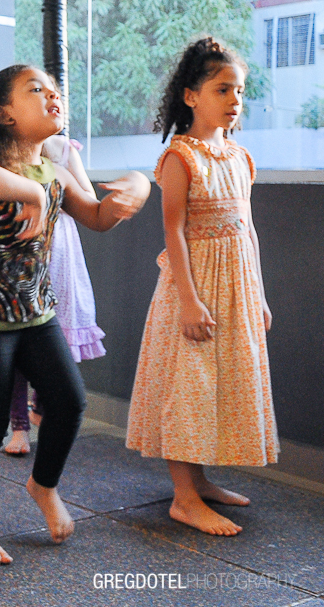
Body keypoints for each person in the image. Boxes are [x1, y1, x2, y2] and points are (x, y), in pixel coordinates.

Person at [0, 65, 150, 565]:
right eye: (37, 90)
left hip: (34, 312)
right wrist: (31, 191)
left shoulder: (54, 167)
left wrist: (137, 185)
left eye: (56, 91)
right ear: (5, 112)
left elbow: (96, 217)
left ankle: (43, 484)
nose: (53, 96)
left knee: (70, 402)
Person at [126, 37, 277, 537]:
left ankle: (203, 481)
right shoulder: (180, 158)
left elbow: (247, 229)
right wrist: (190, 300)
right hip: (194, 289)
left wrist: (258, 294)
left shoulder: (239, 157)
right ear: (192, 95)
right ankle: (184, 498)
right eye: (222, 89)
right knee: (188, 387)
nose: (235, 99)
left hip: (235, 288)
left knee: (219, 386)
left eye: (239, 90)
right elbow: (173, 231)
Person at [3, 136, 106, 456]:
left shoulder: (63, 151)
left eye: (54, 95)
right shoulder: (2, 148)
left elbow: (88, 201)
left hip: (59, 257)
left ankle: (41, 407)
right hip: (20, 254)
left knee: (56, 338)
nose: (51, 102)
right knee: (19, 345)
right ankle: (18, 426)